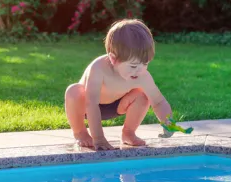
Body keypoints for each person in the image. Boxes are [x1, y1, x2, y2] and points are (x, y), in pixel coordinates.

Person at [64, 19, 174, 150]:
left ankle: (128, 133)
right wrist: (98, 139)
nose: (139, 70)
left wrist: (168, 123)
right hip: (88, 106)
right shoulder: (98, 68)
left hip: (117, 106)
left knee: (143, 95)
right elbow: (91, 103)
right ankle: (80, 133)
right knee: (74, 91)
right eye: (133, 65)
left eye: (145, 64)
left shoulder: (142, 75)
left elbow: (158, 102)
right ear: (113, 59)